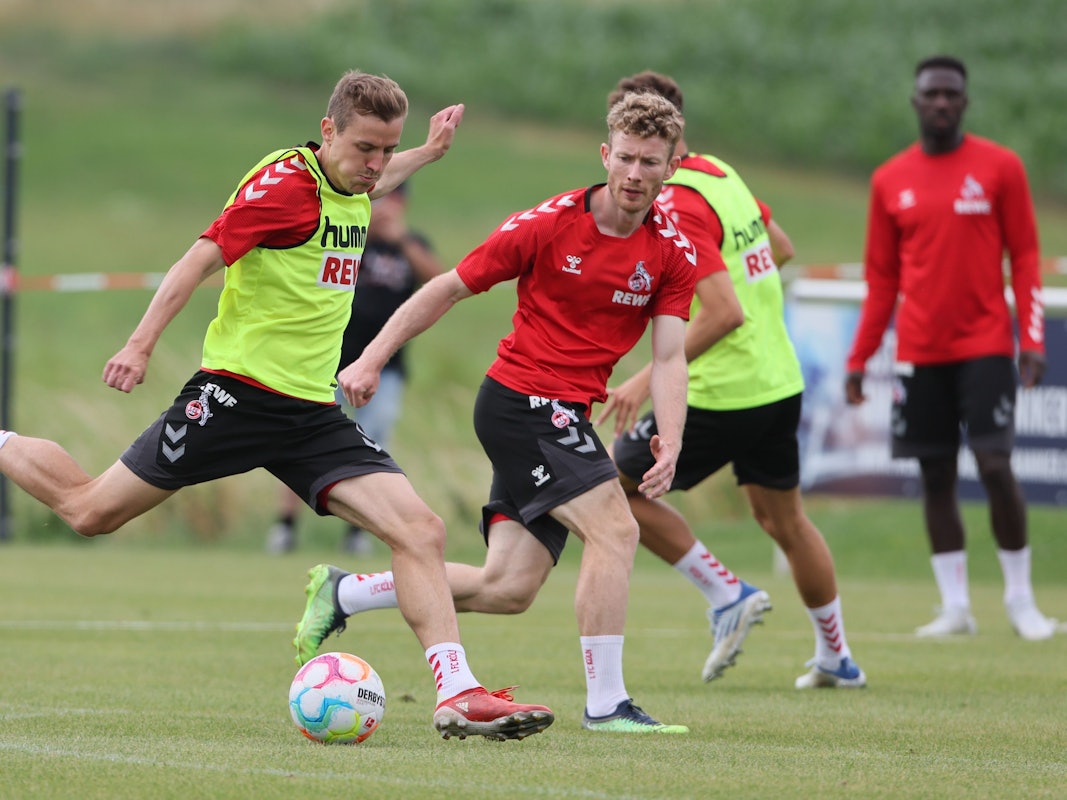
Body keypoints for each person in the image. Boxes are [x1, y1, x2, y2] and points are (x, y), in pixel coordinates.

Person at [0, 70, 554, 741]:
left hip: (309, 416)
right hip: (235, 398)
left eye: (388, 150)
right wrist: (139, 345)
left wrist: (427, 154)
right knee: (90, 511)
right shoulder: (286, 189)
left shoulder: (355, 178)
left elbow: (374, 175)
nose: (377, 166)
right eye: (365, 149)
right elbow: (197, 259)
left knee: (420, 531)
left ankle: (457, 693)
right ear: (328, 133)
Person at [295, 90, 696, 733]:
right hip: (522, 403)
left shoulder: (673, 252)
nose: (634, 174)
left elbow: (671, 357)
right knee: (617, 531)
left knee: (508, 588)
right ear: (605, 154)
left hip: (566, 414)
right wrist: (371, 359)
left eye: (650, 162)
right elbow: (448, 287)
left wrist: (670, 438)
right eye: (624, 158)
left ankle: (344, 592)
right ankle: (607, 705)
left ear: (672, 165)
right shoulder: (548, 224)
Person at [600, 71, 866, 689]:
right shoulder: (719, 173)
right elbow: (782, 247)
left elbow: (724, 312)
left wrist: (644, 379)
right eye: (624, 143)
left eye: (642, 146)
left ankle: (725, 593)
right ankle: (836, 658)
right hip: (778, 379)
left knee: (613, 486)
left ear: (667, 139)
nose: (631, 162)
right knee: (785, 522)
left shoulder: (677, 204)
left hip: (725, 389)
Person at [845, 55, 1059, 641]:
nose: (941, 103)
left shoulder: (1000, 168)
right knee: (934, 472)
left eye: (951, 94)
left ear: (964, 102)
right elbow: (882, 280)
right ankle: (955, 606)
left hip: (986, 345)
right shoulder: (890, 179)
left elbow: (1027, 258)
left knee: (994, 465)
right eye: (931, 94)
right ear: (916, 102)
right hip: (918, 351)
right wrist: (859, 358)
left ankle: (1021, 601)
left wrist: (1032, 338)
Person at [266, 180, 444, 555]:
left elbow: (439, 281)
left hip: (385, 367)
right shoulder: (350, 235)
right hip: (329, 359)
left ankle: (359, 531)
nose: (386, 207)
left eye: (394, 198)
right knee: (302, 435)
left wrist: (402, 241)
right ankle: (285, 525)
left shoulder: (411, 244)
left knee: (372, 442)